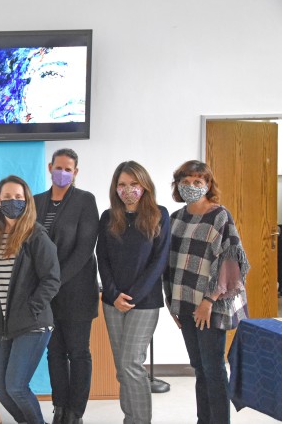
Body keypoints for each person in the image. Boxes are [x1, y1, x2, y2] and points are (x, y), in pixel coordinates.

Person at [164, 160, 249, 424]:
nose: (191, 186)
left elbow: (231, 261)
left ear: (208, 185)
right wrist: (172, 304)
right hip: (185, 305)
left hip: (210, 306)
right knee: (200, 369)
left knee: (213, 371)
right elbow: (170, 263)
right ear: (178, 185)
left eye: (197, 182)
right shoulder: (175, 219)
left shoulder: (219, 216)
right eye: (186, 181)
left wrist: (209, 300)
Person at [0, 175, 61, 424]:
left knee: (16, 387)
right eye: (7, 197)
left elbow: (52, 279)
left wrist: (31, 308)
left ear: (27, 202)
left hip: (32, 324)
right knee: (1, 390)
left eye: (18, 197)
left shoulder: (36, 237)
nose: (13, 202)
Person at [96, 161, 170, 424]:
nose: (128, 190)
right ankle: (131, 418)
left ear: (145, 185)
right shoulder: (108, 217)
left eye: (134, 184)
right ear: (115, 188)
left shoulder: (159, 214)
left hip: (145, 302)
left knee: (131, 365)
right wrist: (113, 294)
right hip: (113, 302)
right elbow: (101, 258)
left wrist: (134, 296)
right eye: (122, 185)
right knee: (122, 369)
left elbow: (159, 261)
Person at [32, 148, 98, 424]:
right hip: (46, 294)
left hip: (77, 290)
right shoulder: (36, 201)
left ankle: (75, 412)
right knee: (54, 351)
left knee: (78, 352)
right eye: (58, 167)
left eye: (68, 169)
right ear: (50, 167)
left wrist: (54, 282)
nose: (62, 172)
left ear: (76, 172)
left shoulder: (85, 200)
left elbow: (85, 249)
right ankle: (59, 408)